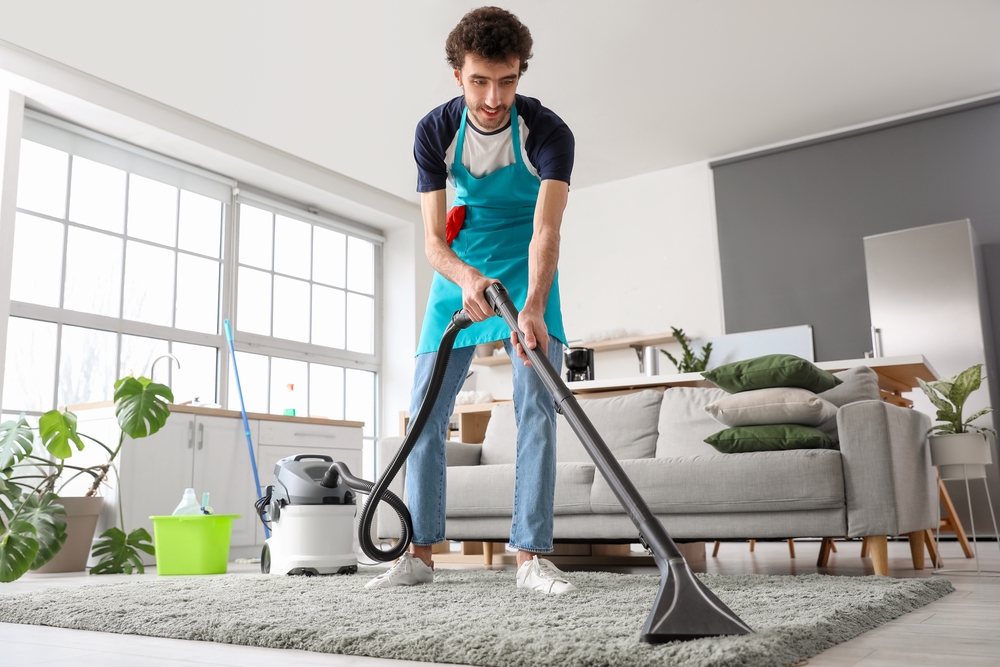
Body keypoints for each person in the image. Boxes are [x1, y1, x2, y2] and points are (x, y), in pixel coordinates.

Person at [366, 6, 577, 594]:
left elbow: (546, 231)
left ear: (520, 74)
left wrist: (532, 305)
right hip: (459, 267)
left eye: (507, 80)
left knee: (537, 407)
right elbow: (433, 241)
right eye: (480, 80)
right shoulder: (435, 131)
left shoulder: (549, 133)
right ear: (457, 74)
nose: (494, 96)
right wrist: (464, 279)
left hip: (526, 263)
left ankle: (532, 558)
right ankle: (419, 555)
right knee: (426, 415)